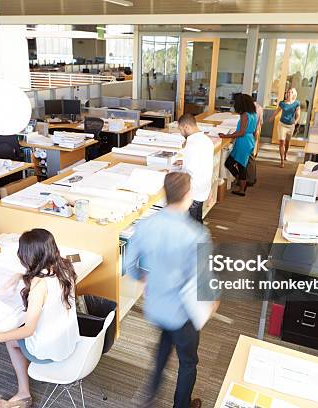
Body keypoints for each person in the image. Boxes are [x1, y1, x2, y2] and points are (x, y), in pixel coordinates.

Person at [125, 172, 212, 408]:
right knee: (188, 362)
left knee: (165, 343)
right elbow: (203, 282)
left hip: (156, 306)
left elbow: (129, 265)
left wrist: (144, 277)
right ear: (187, 195)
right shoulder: (197, 234)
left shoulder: (145, 225)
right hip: (183, 312)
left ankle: (150, 393)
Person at [0, 229, 79, 408]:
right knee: (17, 330)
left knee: (11, 341)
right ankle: (23, 393)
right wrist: (22, 276)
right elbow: (77, 257)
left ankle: (23, 394)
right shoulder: (66, 265)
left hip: (51, 350)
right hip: (70, 340)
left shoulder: (39, 285)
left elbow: (28, 330)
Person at [178, 113, 215, 223]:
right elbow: (202, 161)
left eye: (180, 130)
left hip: (193, 191)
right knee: (197, 220)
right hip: (203, 187)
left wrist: (171, 174)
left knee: (192, 225)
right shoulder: (206, 140)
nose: (180, 133)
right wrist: (184, 160)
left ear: (186, 127)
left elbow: (189, 171)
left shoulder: (192, 144)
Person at [219, 93, 258, 196]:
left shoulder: (245, 115)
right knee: (234, 163)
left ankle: (242, 188)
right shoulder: (253, 114)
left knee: (239, 165)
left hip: (243, 141)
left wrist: (225, 136)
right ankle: (240, 181)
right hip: (248, 140)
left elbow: (241, 132)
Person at [270, 87, 300, 168]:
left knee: (287, 142)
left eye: (291, 92)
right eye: (288, 92)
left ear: (294, 94)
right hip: (282, 124)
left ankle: (285, 153)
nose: (289, 93)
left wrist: (295, 122)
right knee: (282, 142)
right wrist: (272, 117)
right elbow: (277, 111)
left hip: (291, 126)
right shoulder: (282, 103)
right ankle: (282, 160)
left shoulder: (297, 103)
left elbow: (298, 114)